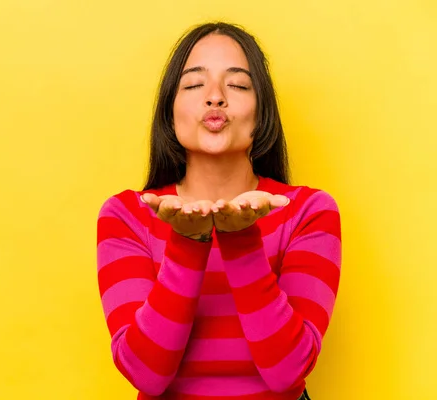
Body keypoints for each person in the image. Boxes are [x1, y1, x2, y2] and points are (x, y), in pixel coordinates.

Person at [96, 21, 341, 400]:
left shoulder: (308, 211)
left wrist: (239, 238)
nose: (215, 98)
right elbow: (146, 375)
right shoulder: (128, 214)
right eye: (194, 85)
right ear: (169, 112)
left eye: (238, 85)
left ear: (262, 114)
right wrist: (188, 240)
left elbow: (288, 373)